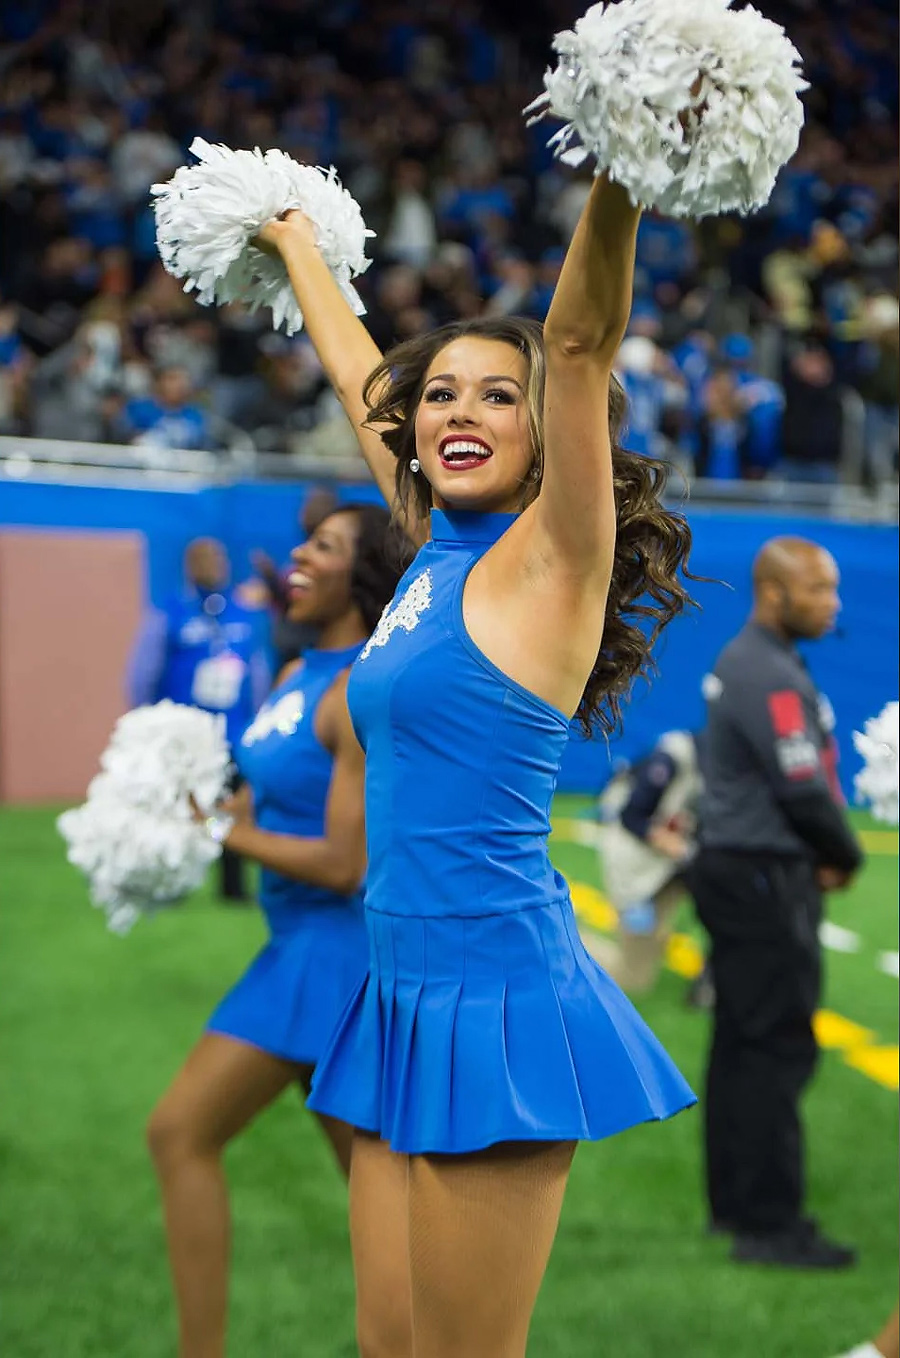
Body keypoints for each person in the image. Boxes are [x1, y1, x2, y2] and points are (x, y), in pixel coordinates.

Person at [255, 168, 696, 1358]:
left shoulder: (550, 561)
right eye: (441, 393)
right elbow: (364, 380)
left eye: (499, 397)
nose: (459, 410)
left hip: (491, 996)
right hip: (396, 987)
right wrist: (290, 237)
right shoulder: (431, 554)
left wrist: (624, 157)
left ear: (545, 428)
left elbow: (582, 338)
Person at [146, 503, 410, 1358]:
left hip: (338, 958)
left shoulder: (356, 689)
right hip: (293, 951)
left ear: (361, 576)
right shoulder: (296, 670)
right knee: (182, 1134)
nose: (298, 556)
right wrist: (180, 817)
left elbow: (345, 863)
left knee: (382, 1203)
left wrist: (222, 832)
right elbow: (259, 791)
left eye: (323, 547)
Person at [693, 536, 864, 1268]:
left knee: (740, 1044)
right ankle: (769, 1225)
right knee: (773, 1048)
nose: (832, 604)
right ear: (775, 592)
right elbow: (800, 787)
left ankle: (735, 1208)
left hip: (740, 870)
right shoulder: (768, 672)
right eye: (819, 590)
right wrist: (844, 854)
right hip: (763, 876)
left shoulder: (756, 661)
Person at [127, 537, 270, 901]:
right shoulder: (169, 612)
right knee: (175, 809)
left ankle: (233, 889)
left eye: (219, 558)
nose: (215, 566)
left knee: (228, 806)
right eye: (206, 560)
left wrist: (258, 719)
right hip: (181, 733)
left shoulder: (240, 612)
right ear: (190, 566)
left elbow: (256, 670)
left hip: (231, 732)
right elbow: (144, 672)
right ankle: (169, 885)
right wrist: (144, 723)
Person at [582, 729, 703, 997]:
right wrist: (681, 848)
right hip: (636, 858)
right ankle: (563, 946)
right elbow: (632, 816)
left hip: (666, 861)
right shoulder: (675, 756)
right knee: (632, 976)